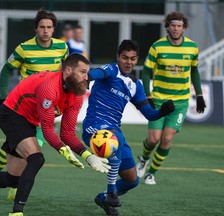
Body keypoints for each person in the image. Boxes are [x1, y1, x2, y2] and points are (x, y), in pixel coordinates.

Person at [0, 53, 111, 216]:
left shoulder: (76, 95)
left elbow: (67, 133)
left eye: (87, 72)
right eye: (82, 72)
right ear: (68, 70)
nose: (86, 76)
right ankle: (16, 213)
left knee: (14, 180)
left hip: (29, 121)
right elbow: (47, 129)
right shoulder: (49, 88)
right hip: (12, 114)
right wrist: (63, 150)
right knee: (37, 159)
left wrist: (88, 155)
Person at [0, 8, 69, 200]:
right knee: (11, 147)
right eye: (42, 27)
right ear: (36, 29)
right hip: (23, 108)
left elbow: (64, 74)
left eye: (49, 27)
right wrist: (3, 99)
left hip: (45, 110)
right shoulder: (24, 49)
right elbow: (5, 71)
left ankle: (14, 185)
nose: (46, 31)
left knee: (34, 149)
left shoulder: (62, 47)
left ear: (54, 29)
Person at [82, 40, 175, 216]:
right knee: (116, 139)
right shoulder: (111, 70)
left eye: (132, 59)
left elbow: (149, 113)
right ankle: (111, 193)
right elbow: (96, 73)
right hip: (94, 127)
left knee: (132, 180)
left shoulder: (136, 85)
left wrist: (162, 112)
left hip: (115, 130)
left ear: (137, 59)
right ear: (118, 57)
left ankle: (102, 198)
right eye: (124, 57)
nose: (128, 62)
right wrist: (88, 78)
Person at [136, 11, 206, 185]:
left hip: (180, 102)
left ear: (184, 28)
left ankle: (151, 173)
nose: (176, 29)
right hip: (159, 100)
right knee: (153, 139)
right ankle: (144, 159)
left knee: (166, 138)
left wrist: (199, 95)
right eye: (173, 25)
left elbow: (194, 70)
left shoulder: (192, 47)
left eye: (179, 26)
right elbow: (146, 71)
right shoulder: (157, 47)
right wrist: (148, 95)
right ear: (167, 27)